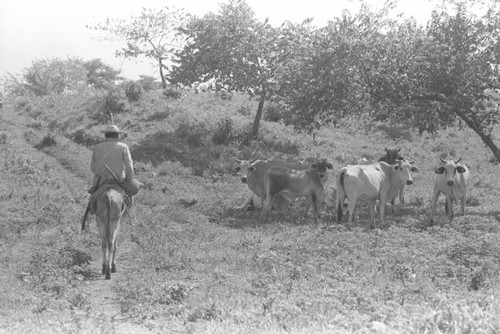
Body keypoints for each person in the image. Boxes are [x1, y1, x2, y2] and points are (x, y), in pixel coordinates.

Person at [87, 124, 136, 195]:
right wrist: (127, 179)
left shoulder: (97, 148)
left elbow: (92, 168)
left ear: (106, 135)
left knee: (92, 200)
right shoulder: (123, 147)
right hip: (119, 181)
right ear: (117, 136)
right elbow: (129, 167)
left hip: (100, 181)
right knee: (128, 197)